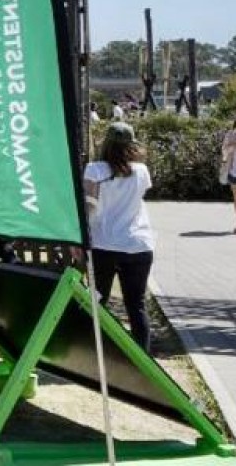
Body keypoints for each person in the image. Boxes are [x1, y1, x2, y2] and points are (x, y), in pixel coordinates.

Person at [82, 122, 156, 353]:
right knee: (136, 305)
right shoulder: (141, 171)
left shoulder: (94, 169)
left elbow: (90, 205)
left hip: (104, 243)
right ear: (132, 144)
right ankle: (143, 360)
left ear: (105, 142)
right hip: (138, 244)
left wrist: (82, 235)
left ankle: (96, 352)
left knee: (96, 301)